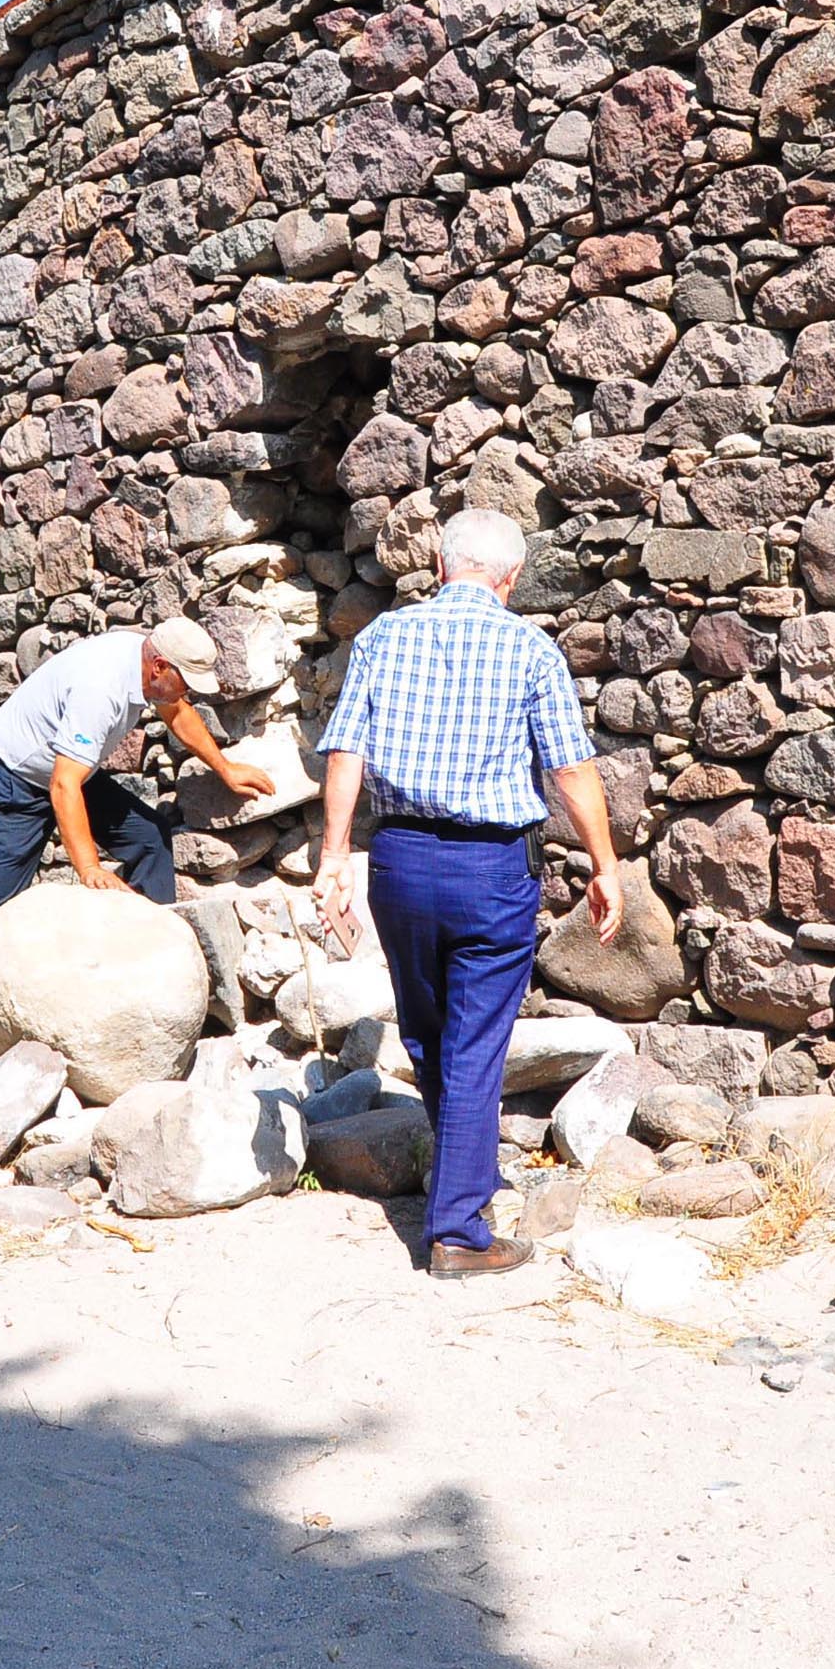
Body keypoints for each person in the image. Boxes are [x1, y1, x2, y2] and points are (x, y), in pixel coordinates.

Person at [314, 508, 625, 1279]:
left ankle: (464, 1176)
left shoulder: (384, 637)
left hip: (400, 863)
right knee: (476, 1042)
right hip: (490, 871)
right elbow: (570, 768)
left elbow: (346, 746)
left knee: (426, 1031)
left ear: (441, 563)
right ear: (510, 577)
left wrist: (333, 854)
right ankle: (458, 1230)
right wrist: (606, 863)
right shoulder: (529, 647)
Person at [0, 617, 279, 1088]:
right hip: (11, 781)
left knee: (149, 839)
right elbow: (64, 788)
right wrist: (89, 868)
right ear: (159, 665)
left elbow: (177, 713)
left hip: (61, 770)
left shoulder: (146, 664)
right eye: (184, 682)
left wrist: (224, 768)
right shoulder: (100, 689)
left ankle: (152, 985)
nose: (186, 693)